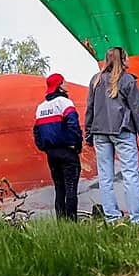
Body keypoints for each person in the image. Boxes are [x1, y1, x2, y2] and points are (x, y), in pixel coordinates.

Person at [85, 47, 139, 224]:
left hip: (99, 132)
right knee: (130, 175)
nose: (129, 60)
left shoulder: (95, 80)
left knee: (105, 177)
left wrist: (88, 135)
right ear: (122, 60)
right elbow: (138, 110)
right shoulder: (127, 80)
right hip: (122, 131)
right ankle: (137, 219)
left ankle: (112, 217)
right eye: (127, 57)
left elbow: (90, 109)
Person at [33, 73, 83, 221]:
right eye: (64, 82)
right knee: (71, 189)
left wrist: (44, 147)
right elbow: (73, 124)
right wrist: (77, 144)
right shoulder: (64, 103)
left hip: (51, 154)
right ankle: (72, 224)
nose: (66, 84)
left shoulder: (40, 107)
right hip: (68, 151)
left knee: (59, 189)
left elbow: (36, 131)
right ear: (59, 86)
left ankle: (61, 223)